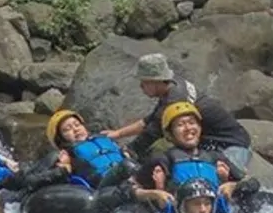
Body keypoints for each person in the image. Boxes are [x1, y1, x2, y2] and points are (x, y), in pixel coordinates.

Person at [104, 53, 254, 172]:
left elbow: (150, 134)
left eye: (144, 82)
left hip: (232, 144)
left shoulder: (175, 100)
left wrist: (128, 152)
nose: (141, 87)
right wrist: (117, 134)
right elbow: (149, 121)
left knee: (219, 180)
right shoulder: (173, 84)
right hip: (208, 144)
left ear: (156, 81)